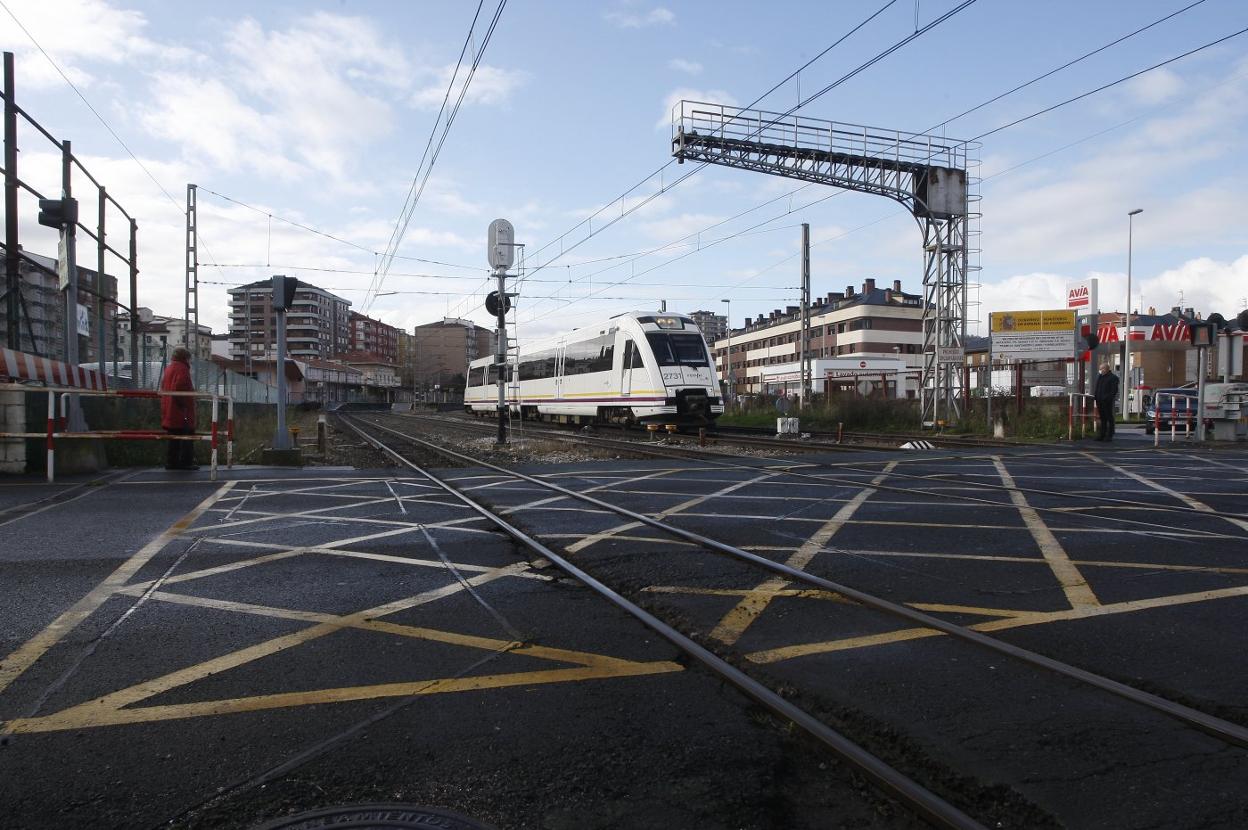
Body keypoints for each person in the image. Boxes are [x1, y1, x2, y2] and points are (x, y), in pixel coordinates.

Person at [160, 346, 198, 470]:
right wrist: (184, 404)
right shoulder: (182, 369)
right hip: (181, 411)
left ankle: (171, 462)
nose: (189, 361)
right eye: (189, 358)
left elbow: (164, 386)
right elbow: (180, 386)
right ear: (185, 358)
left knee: (173, 438)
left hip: (169, 409)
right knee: (187, 437)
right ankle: (186, 462)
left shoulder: (169, 368)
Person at [1092, 362, 1119, 442]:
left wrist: (1107, 398)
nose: (1100, 370)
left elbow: (1114, 390)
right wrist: (1096, 397)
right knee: (1102, 418)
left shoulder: (1113, 378)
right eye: (1100, 369)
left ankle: (1109, 435)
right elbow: (1097, 387)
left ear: (1106, 369)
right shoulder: (1100, 377)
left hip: (1107, 401)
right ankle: (1102, 434)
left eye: (1101, 369)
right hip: (1099, 400)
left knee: (1109, 417)